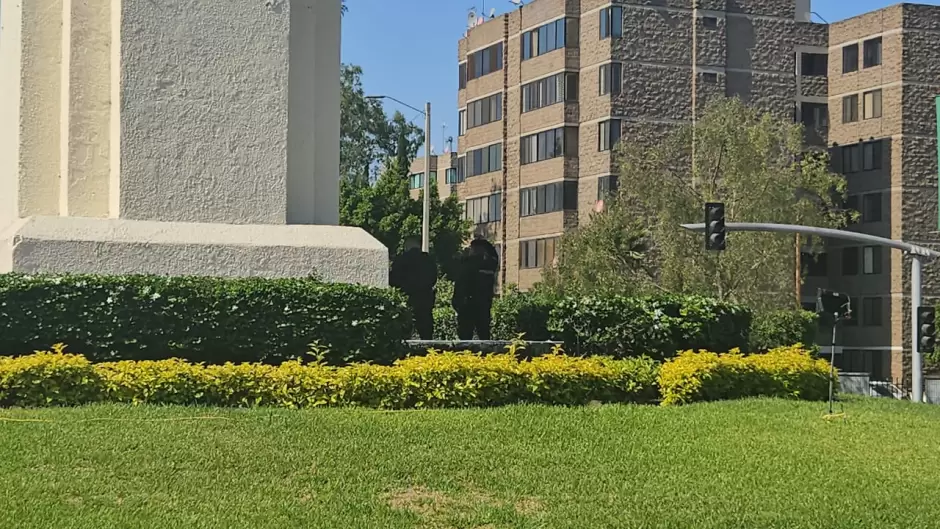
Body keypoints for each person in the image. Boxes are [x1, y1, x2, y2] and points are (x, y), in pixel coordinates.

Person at [389, 236, 437, 340]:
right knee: (426, 329)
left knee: (405, 330)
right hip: (425, 298)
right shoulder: (428, 260)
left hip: (407, 298)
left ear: (407, 246)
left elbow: (393, 280)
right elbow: (434, 278)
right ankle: (428, 351)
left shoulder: (401, 259)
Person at [452, 238, 499, 340]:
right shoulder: (489, 264)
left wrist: (457, 302)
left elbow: (459, 284)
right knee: (484, 334)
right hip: (483, 305)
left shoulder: (468, 264)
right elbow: (494, 257)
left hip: (467, 305)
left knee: (465, 336)